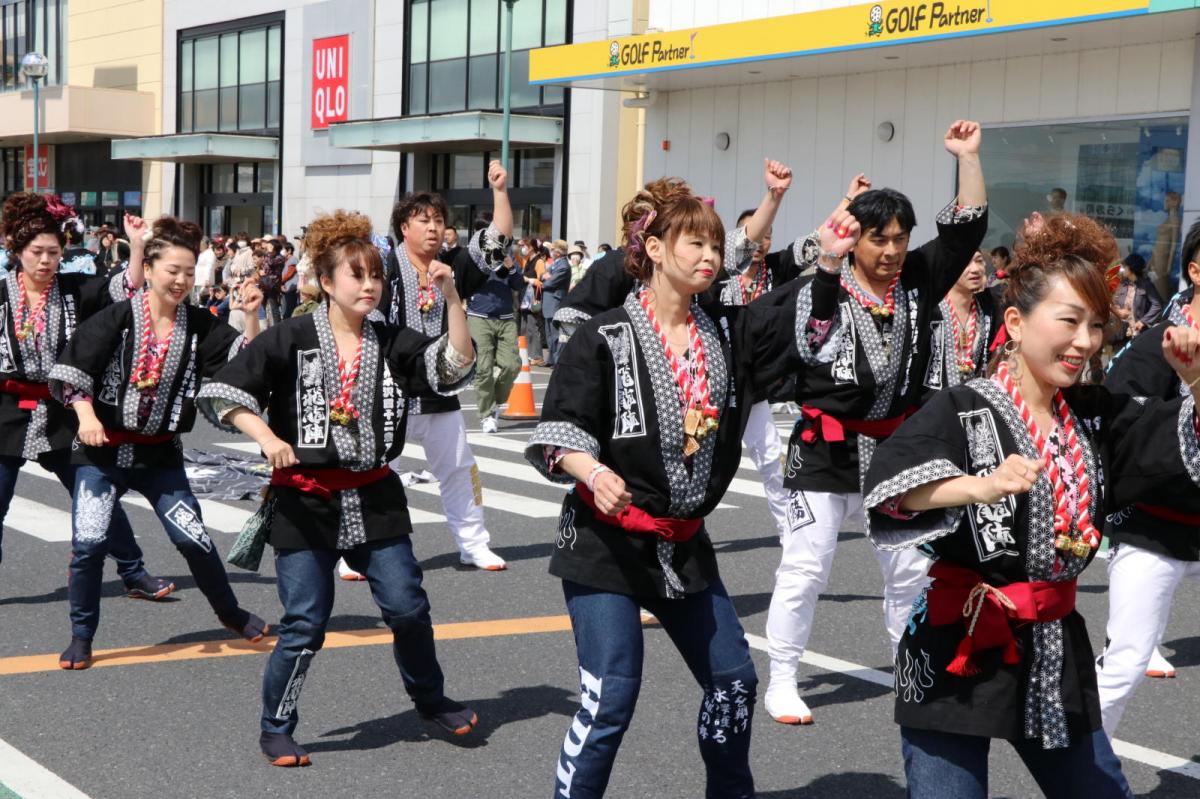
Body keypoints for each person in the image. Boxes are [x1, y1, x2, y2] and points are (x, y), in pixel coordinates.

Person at [860, 211, 1200, 798]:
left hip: (1052, 644)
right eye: (1068, 321)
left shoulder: (1096, 413)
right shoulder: (965, 407)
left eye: (1095, 325)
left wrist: (1197, 381)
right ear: (1015, 323)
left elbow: (1174, 445)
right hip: (959, 639)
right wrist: (980, 486)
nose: (1084, 342)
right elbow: (892, 486)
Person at [525, 177, 805, 799]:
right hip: (605, 542)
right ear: (652, 249)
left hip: (683, 543)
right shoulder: (603, 336)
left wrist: (832, 243)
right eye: (693, 244)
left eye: (715, 246)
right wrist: (592, 471)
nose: (709, 257)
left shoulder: (728, 334)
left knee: (733, 682)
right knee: (611, 699)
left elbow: (799, 306)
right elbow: (559, 430)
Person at [196, 210, 480, 767]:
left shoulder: (394, 341)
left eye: (376, 275)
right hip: (305, 499)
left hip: (375, 494)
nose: (370, 285)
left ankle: (430, 699)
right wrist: (267, 435)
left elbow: (450, 368)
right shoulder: (289, 337)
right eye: (357, 275)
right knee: (306, 621)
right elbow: (222, 393)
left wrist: (451, 301)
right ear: (327, 282)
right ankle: (276, 726)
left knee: (407, 606)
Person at [757, 120, 989, 726]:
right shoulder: (820, 284)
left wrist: (967, 157)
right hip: (825, 448)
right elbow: (813, 344)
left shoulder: (917, 278)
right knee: (805, 566)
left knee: (910, 567)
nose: (891, 252)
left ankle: (907, 666)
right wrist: (829, 267)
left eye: (900, 239)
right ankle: (782, 676)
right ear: (853, 239)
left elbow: (965, 233)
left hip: (897, 448)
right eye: (878, 239)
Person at [48, 215, 269, 670]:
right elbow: (73, 372)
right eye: (173, 270)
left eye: (189, 273)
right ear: (148, 269)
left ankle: (230, 613)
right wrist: (86, 416)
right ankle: (81, 634)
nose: (182, 280)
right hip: (100, 450)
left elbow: (246, 363)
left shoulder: (200, 324)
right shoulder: (117, 318)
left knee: (193, 540)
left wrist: (250, 314)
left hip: (160, 454)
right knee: (88, 543)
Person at [0, 195, 169, 602]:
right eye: (36, 252)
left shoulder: (75, 290)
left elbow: (126, 287)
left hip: (66, 409)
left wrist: (138, 243)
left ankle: (133, 572)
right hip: (6, 411)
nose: (45, 261)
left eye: (53, 252)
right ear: (16, 252)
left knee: (95, 494)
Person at [375, 160, 513, 571]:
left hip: (440, 386)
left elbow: (498, 243)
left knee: (457, 468)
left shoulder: (452, 263)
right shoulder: (382, 267)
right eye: (423, 221)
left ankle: (473, 543)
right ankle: (359, 549)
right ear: (405, 228)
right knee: (375, 472)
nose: (433, 228)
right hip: (388, 387)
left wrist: (500, 192)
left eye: (438, 220)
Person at [1096, 218, 1200, 734]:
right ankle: (1082, 772)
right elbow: (1116, 419)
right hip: (1156, 522)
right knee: (1126, 660)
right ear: (1196, 270)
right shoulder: (1158, 342)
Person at [923, 250, 1001, 398]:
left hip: (973, 401)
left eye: (979, 261)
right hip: (931, 404)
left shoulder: (988, 305)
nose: (975, 269)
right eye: (966, 262)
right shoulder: (930, 307)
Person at [466, 244, 524, 432]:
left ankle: (495, 403)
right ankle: (487, 414)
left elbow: (518, 284)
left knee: (512, 365)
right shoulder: (475, 258)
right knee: (483, 369)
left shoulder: (508, 257)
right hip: (479, 317)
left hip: (506, 318)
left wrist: (511, 266)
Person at [1110, 253, 1162, 346]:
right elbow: (1115, 302)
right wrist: (1117, 310)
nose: (1123, 269)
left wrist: (1143, 321)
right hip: (1121, 333)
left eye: (1125, 266)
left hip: (1138, 334)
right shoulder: (1123, 284)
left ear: (1132, 268)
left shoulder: (1146, 285)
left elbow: (1157, 305)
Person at [540, 240, 572, 366]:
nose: (551, 252)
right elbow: (543, 275)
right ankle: (551, 359)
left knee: (555, 334)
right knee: (549, 334)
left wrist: (545, 279)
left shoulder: (563, 266)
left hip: (555, 302)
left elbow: (550, 282)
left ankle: (557, 360)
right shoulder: (556, 264)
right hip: (549, 303)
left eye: (553, 250)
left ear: (558, 253)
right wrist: (544, 276)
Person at [520, 238, 547, 365]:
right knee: (525, 327)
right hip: (525, 299)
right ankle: (526, 354)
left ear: (531, 247)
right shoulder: (527, 260)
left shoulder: (539, 261)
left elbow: (542, 280)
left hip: (533, 299)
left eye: (524, 246)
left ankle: (537, 356)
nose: (522, 248)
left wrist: (529, 279)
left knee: (533, 327)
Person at [280, 241, 300, 319]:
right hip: (287, 287)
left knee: (290, 308)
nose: (282, 251)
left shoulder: (293, 259)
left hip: (291, 288)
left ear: (289, 251)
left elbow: (289, 273)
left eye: (284, 249)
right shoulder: (286, 260)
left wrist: (281, 282)